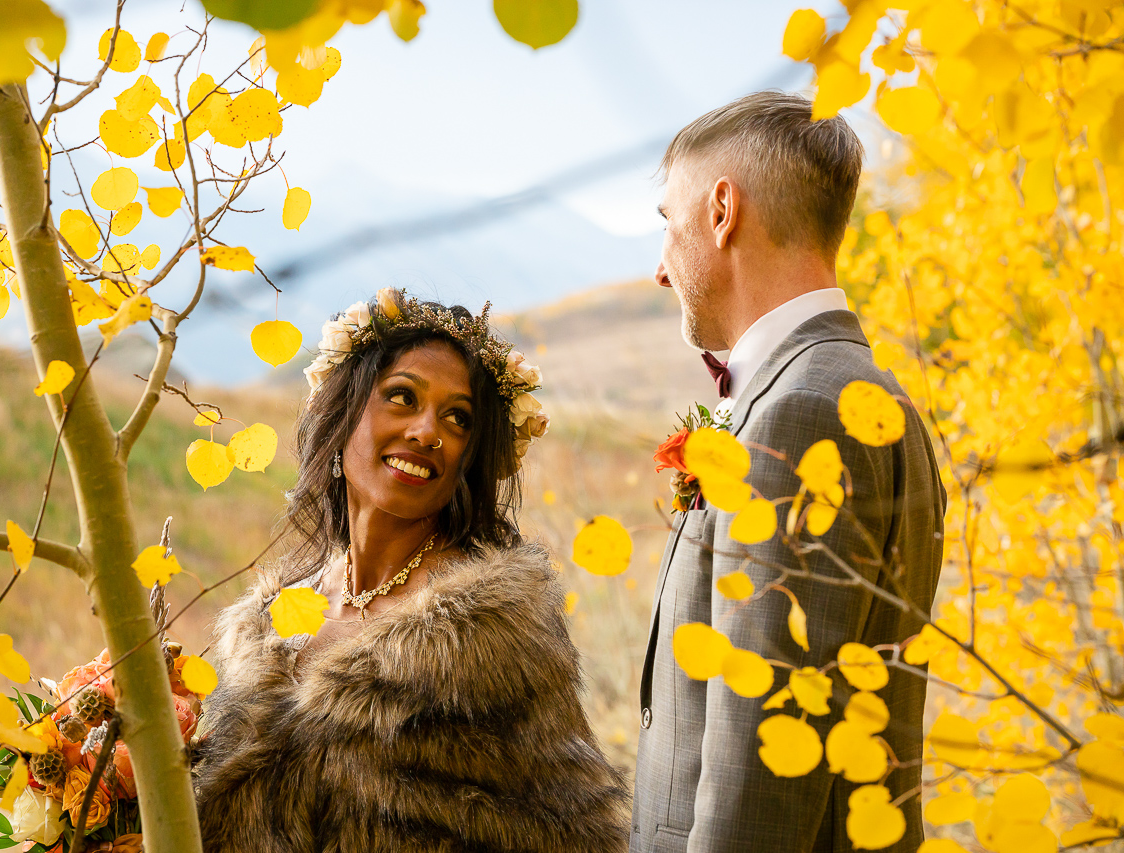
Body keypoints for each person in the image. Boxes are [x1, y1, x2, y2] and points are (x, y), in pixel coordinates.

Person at [193, 289, 630, 853]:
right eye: (402, 397)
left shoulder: (497, 636)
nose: (428, 431)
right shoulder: (267, 625)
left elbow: (578, 832)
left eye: (457, 419)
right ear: (344, 413)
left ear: (468, 460)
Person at [632, 92, 946, 853]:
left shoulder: (806, 412)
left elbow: (759, 778)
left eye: (669, 225)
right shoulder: (842, 389)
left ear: (721, 211)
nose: (661, 272)